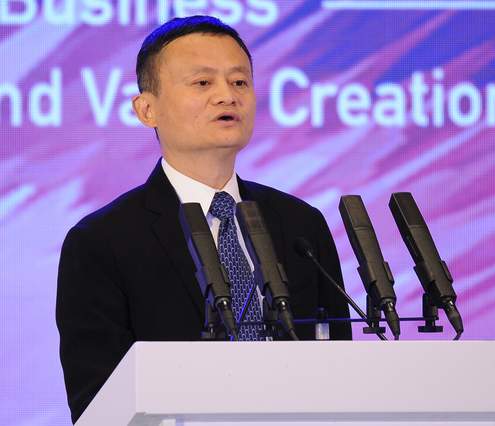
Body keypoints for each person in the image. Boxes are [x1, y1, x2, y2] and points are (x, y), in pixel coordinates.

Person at [56, 15, 352, 423]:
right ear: (147, 109)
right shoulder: (101, 242)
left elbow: (341, 369)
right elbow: (97, 402)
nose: (226, 96)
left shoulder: (301, 224)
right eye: (202, 83)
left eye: (239, 82)